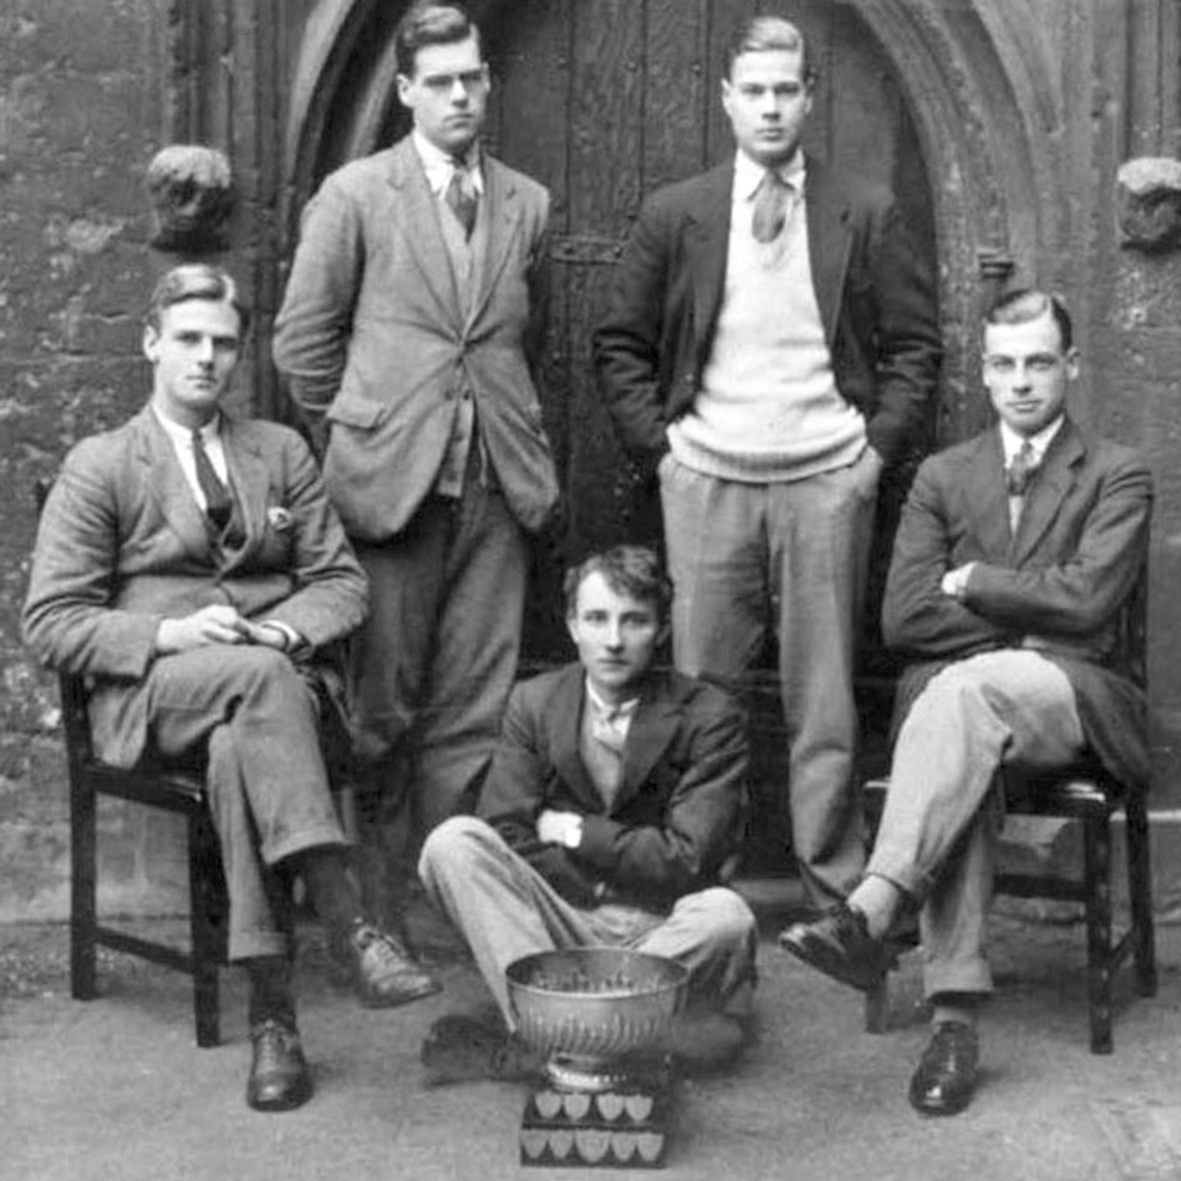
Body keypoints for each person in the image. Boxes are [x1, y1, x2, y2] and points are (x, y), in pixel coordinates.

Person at [22, 264, 442, 1114]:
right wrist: (169, 634)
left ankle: (273, 1020)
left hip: (267, 695)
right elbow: (51, 621)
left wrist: (280, 632)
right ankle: (345, 914)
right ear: (151, 344)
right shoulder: (104, 464)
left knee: (236, 741)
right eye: (188, 340)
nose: (206, 358)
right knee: (253, 688)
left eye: (222, 343)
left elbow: (341, 584)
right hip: (151, 694)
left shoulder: (278, 452)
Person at [592, 15, 941, 912]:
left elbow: (913, 348)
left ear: (809, 98)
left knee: (820, 704)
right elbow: (618, 342)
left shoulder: (862, 208)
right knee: (700, 699)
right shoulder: (681, 213)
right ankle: (696, 885)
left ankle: (836, 900)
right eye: (754, 90)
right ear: (726, 100)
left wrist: (869, 458)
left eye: (787, 89)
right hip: (705, 481)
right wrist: (665, 453)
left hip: (825, 481)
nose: (772, 106)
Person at [779, 289, 1153, 1116]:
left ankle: (873, 909)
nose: (1022, 382)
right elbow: (903, 613)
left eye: (1040, 362)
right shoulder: (943, 475)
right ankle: (952, 1023)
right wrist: (1028, 611)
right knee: (965, 717)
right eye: (1005, 364)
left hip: (1071, 699)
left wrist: (978, 583)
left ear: (1071, 366)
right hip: (970, 706)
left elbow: (1090, 603)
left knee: (960, 695)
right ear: (984, 371)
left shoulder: (1118, 472)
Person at [272, 0, 558, 915]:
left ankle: (445, 895)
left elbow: (521, 336)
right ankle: (371, 903)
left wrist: (486, 422)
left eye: (472, 76)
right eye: (439, 81)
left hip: (497, 484)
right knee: (383, 703)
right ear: (404, 92)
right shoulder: (357, 195)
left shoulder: (526, 202)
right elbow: (300, 344)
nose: (460, 95)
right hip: (388, 489)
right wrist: (366, 429)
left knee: (475, 700)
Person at [416, 545, 757, 1083]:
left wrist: (576, 830)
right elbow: (506, 831)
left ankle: (548, 1042)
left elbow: (687, 860)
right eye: (597, 619)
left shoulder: (710, 715)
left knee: (726, 915)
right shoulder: (535, 701)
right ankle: (616, 1043)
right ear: (572, 625)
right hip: (560, 925)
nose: (614, 640)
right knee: (455, 843)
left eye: (634, 621)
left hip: (662, 933)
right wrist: (594, 890)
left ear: (662, 630)